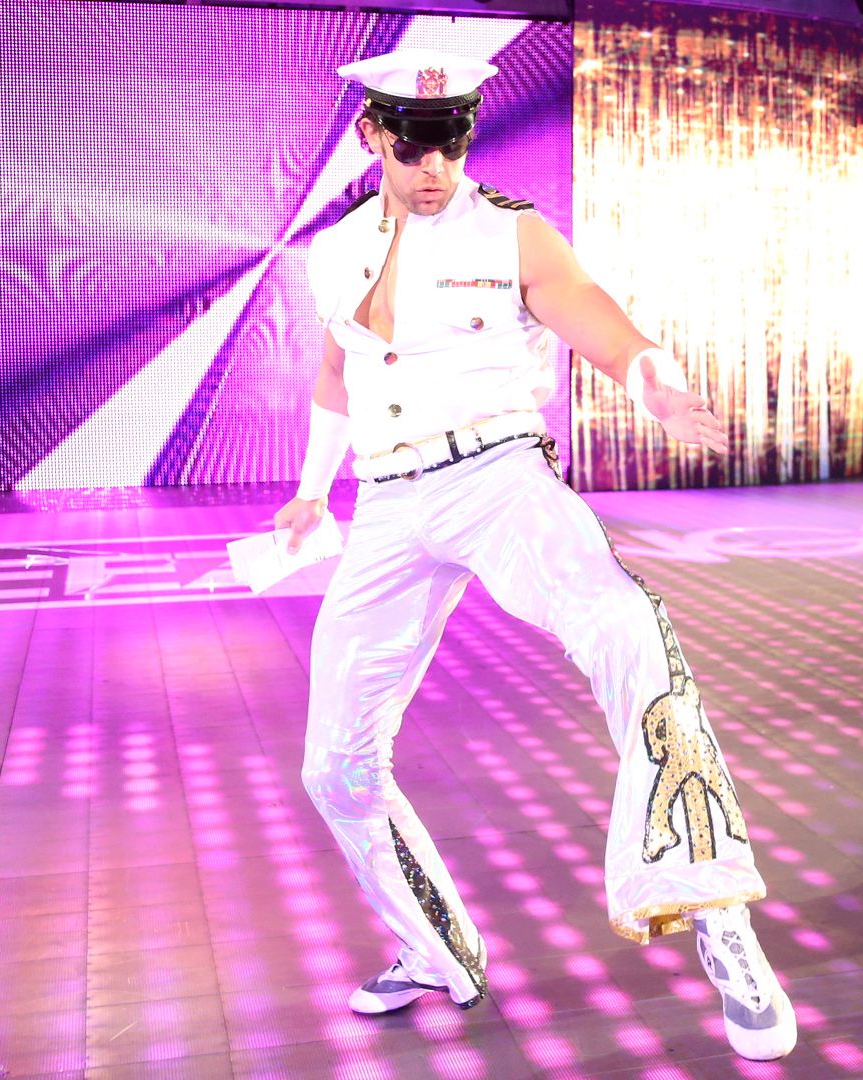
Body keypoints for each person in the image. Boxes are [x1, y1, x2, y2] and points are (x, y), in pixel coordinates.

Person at [272, 48, 794, 1061]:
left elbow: (595, 316)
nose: (436, 165)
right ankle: (433, 947)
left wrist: (650, 379)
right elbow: (339, 371)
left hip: (498, 478)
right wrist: (307, 490)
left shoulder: (512, 230)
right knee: (332, 764)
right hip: (386, 504)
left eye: (453, 142)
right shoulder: (332, 250)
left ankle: (710, 901)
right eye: (415, 146)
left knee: (626, 624)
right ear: (373, 136)